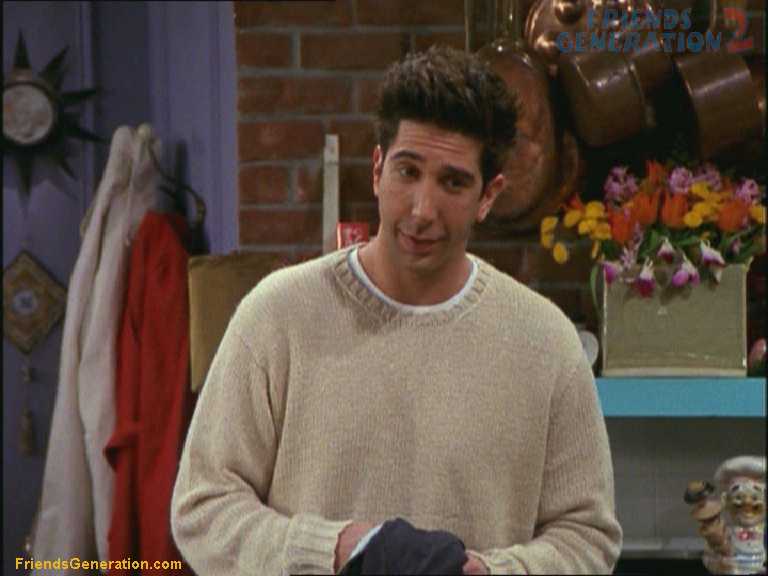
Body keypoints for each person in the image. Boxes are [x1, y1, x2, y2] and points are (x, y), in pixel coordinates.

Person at [171, 45, 622, 575]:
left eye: (453, 182)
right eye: (408, 171)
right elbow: (202, 508)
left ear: (488, 196)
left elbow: (587, 537)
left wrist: (493, 573)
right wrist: (335, 550)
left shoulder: (545, 342)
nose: (422, 210)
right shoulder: (276, 316)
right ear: (377, 169)